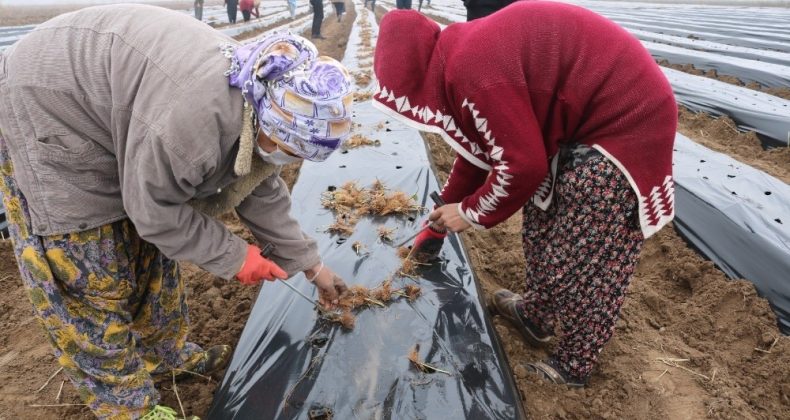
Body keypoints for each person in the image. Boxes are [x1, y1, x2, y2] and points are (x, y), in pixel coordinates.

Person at [0, 4, 353, 419]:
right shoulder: (194, 125)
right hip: (48, 104)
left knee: (151, 253)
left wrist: (310, 265)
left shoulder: (258, 98)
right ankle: (128, 407)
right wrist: (236, 256)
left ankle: (166, 355)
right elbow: (153, 211)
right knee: (88, 270)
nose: (290, 164)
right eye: (291, 152)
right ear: (268, 125)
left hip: (125, 107)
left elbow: (257, 180)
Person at [373, 2, 676, 387]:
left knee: (582, 261)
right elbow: (482, 149)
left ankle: (574, 365)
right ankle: (537, 316)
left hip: (626, 121)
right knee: (540, 228)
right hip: (579, 122)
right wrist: (438, 221)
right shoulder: (453, 60)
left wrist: (469, 212)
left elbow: (523, 166)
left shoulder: (471, 71)